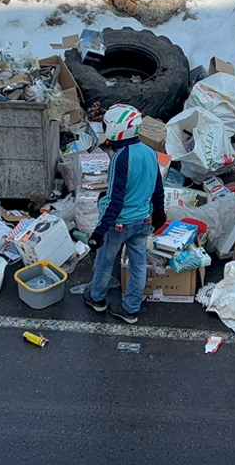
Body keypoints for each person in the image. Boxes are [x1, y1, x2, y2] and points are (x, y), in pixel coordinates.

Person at [84, 104, 166, 325]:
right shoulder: (150, 152)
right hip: (143, 220)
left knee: (105, 262)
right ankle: (131, 309)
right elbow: (158, 189)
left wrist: (99, 232)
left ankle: (96, 298)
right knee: (138, 265)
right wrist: (160, 216)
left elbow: (115, 200)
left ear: (115, 129)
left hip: (119, 224)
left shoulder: (120, 158)